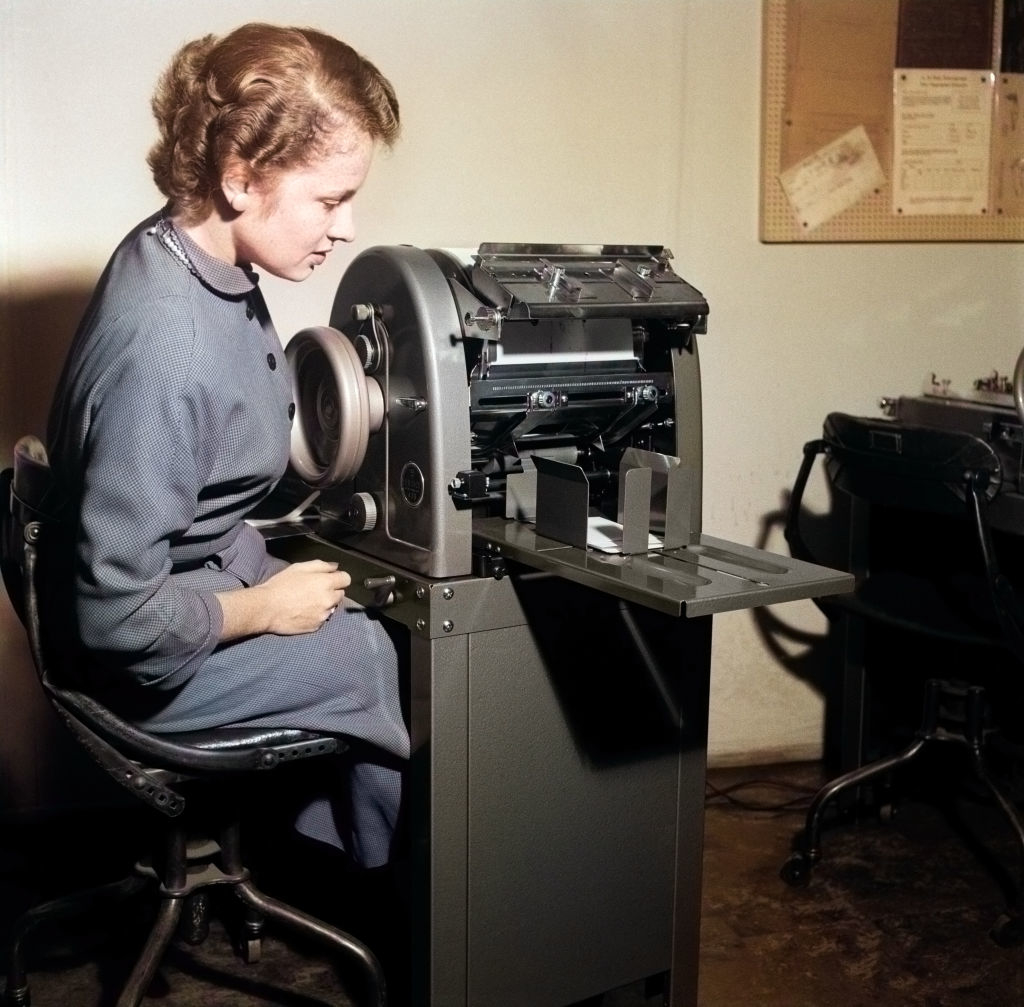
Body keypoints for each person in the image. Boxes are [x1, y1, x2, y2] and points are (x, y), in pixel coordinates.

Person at [44, 23, 408, 871]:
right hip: (129, 659)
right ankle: (378, 892)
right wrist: (260, 609)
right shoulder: (165, 350)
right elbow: (117, 616)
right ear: (241, 176)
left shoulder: (185, 249)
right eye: (329, 199)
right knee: (377, 652)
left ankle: (326, 846)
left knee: (354, 597)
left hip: (185, 572)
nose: (346, 227)